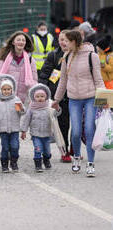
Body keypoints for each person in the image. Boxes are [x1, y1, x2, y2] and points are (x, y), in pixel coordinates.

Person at [52, 30, 105, 177]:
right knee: (75, 132)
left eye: (67, 41)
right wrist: (56, 100)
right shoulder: (67, 57)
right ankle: (76, 158)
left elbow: (98, 79)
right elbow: (63, 81)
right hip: (73, 99)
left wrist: (104, 100)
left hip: (90, 98)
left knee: (89, 130)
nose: (64, 43)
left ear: (74, 41)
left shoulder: (91, 56)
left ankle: (90, 163)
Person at [39, 29, 72, 163]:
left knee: (76, 126)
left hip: (76, 95)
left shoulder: (77, 55)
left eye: (66, 40)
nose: (63, 42)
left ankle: (74, 148)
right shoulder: (53, 55)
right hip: (60, 97)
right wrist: (43, 92)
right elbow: (44, 75)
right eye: (61, 39)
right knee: (63, 125)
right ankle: (65, 150)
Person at [0, 31, 37, 105]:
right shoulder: (3, 58)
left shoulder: (30, 60)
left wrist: (34, 98)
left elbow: (34, 81)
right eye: (18, 40)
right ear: (13, 42)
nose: (21, 42)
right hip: (6, 99)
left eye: (23, 40)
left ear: (25, 43)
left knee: (19, 115)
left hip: (23, 102)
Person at [0, 74, 25, 173]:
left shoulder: (16, 100)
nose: (6, 91)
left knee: (15, 146)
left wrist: (21, 108)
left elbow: (21, 112)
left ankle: (14, 162)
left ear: (12, 90)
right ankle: (4, 164)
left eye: (9, 89)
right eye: (4, 89)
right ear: (0, 90)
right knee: (5, 147)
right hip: (3, 129)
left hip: (14, 129)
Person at [21, 84, 61, 172]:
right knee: (38, 149)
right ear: (33, 97)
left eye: (42, 96)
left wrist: (57, 109)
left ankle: (46, 160)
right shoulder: (31, 108)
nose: (40, 98)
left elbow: (56, 114)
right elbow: (26, 120)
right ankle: (38, 164)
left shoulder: (48, 107)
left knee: (47, 151)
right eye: (37, 96)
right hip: (36, 134)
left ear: (46, 96)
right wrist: (24, 131)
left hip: (47, 134)